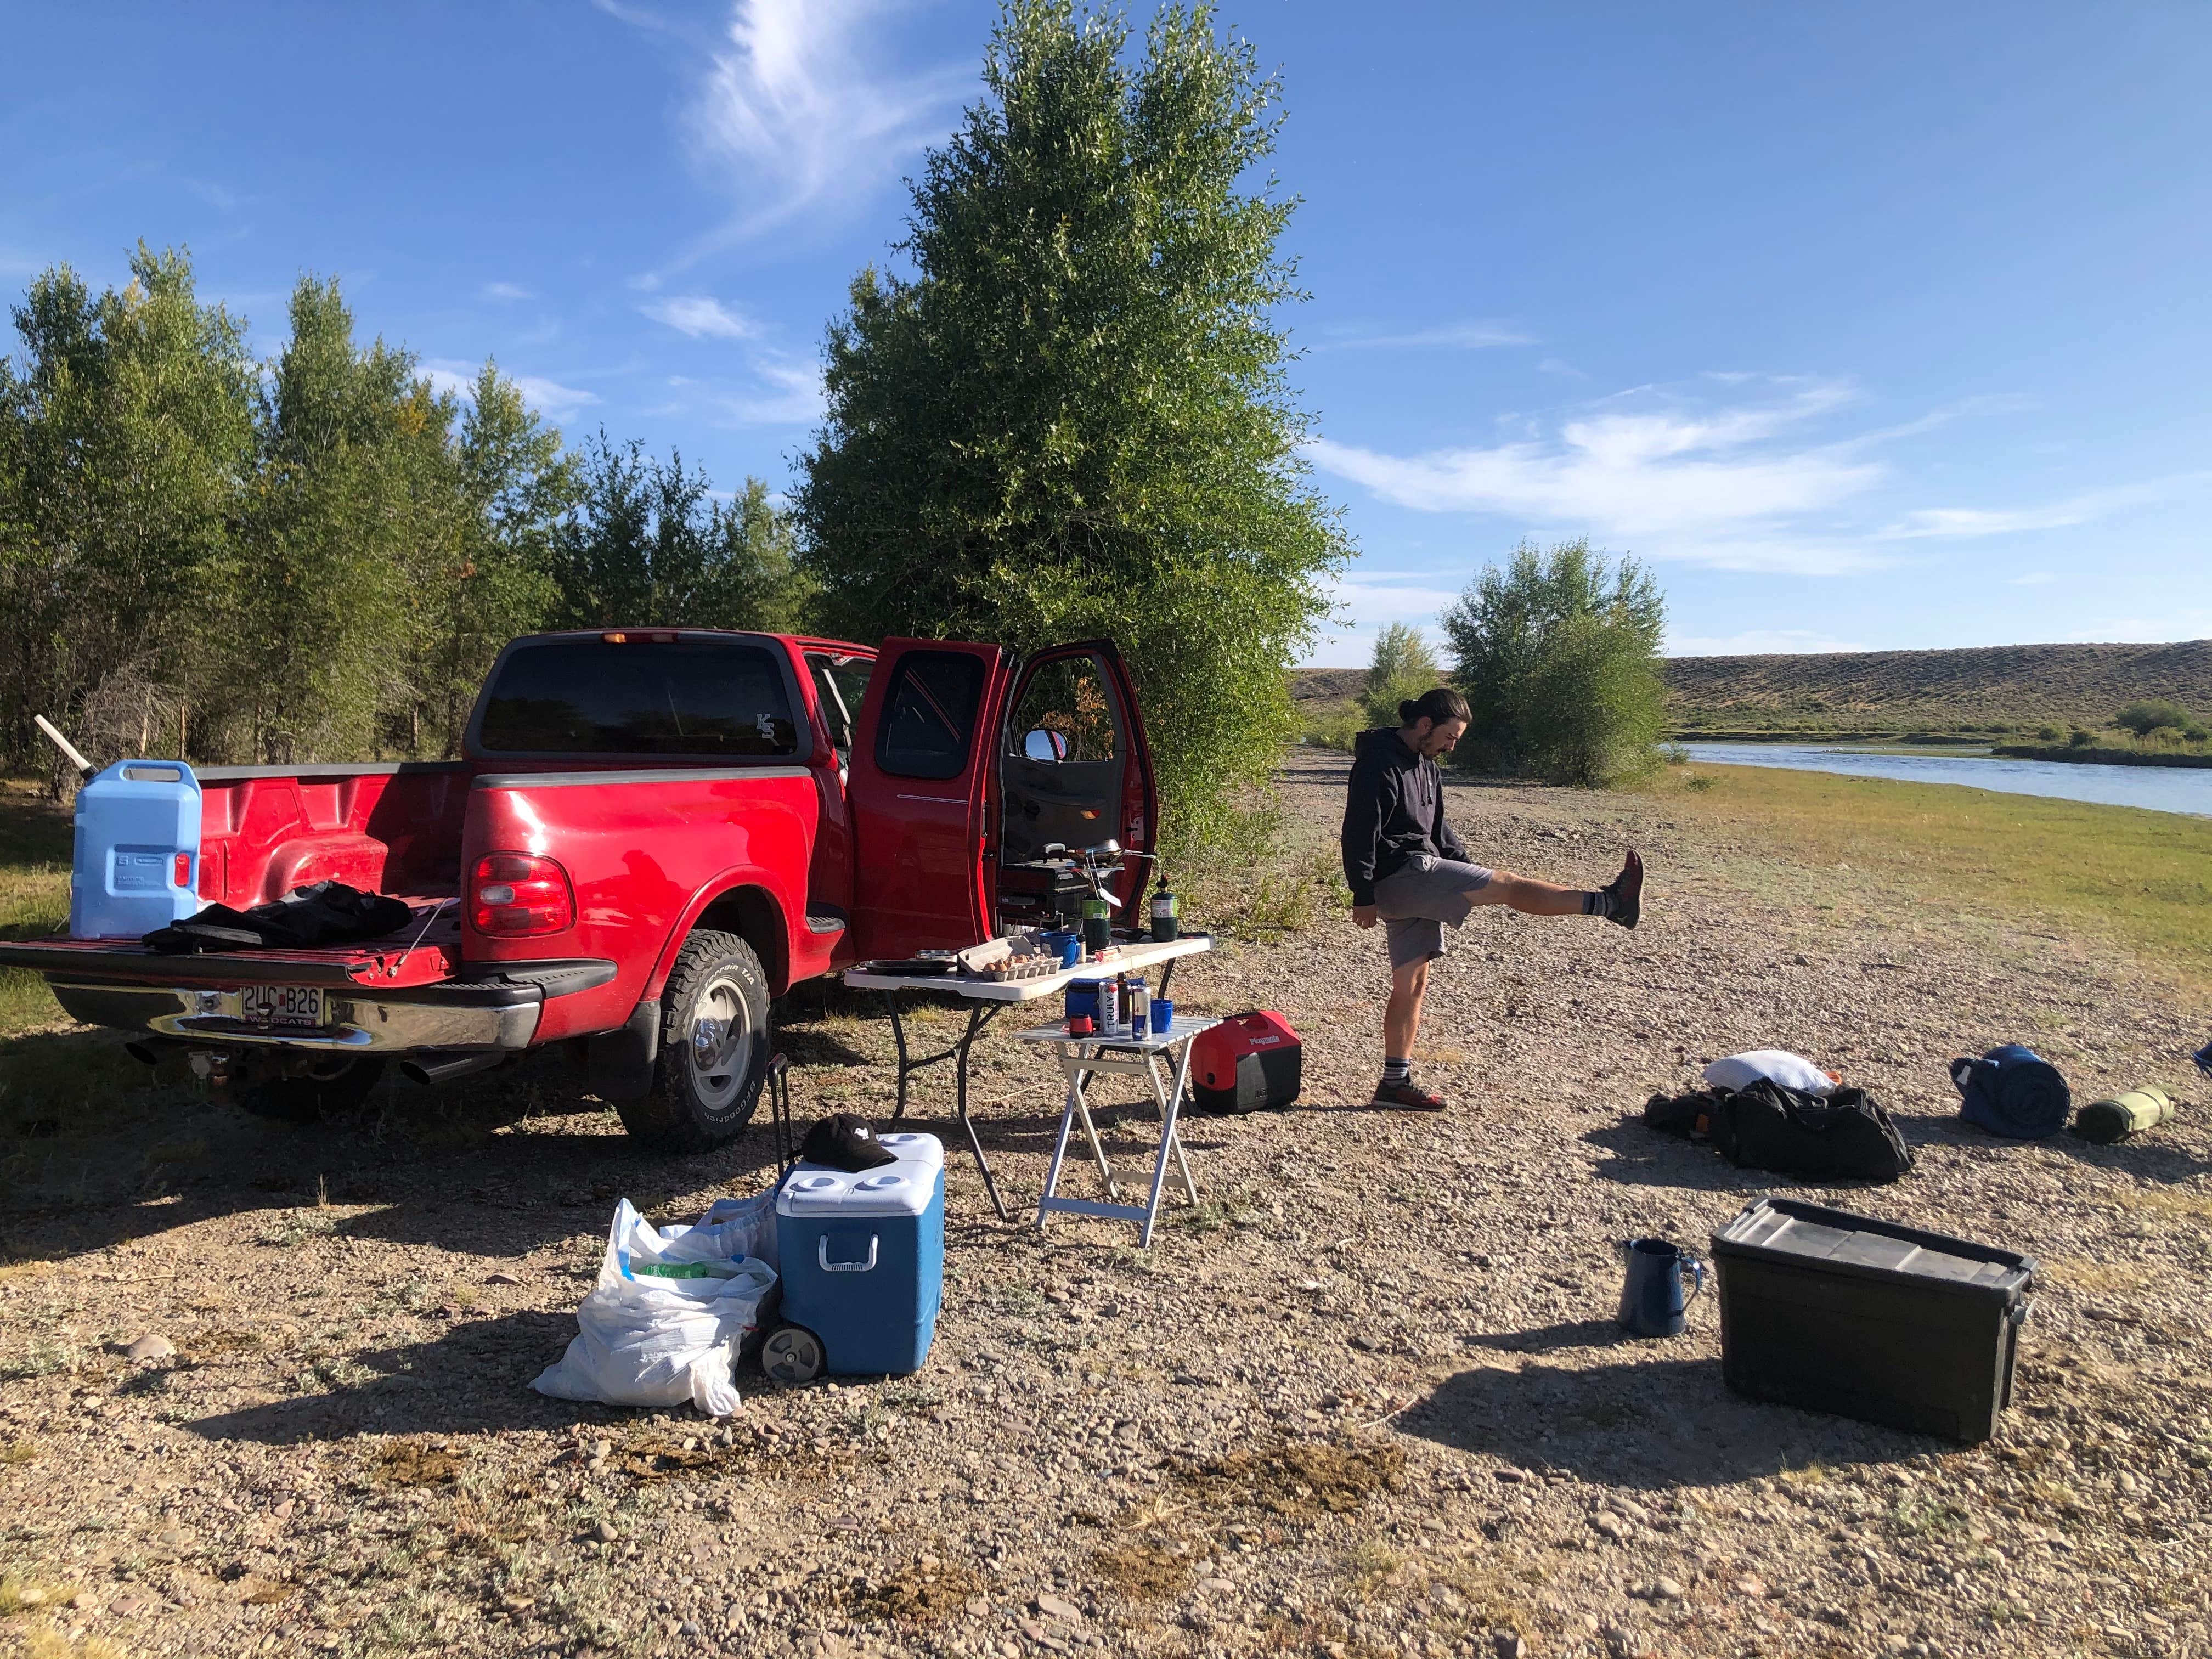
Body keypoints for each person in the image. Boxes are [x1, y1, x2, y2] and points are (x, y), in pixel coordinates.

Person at [1341, 687, 1644, 1111]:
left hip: (1422, 874)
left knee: (1412, 983)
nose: (1452, 746)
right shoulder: (1379, 763)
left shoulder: (1427, 765)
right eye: (1450, 736)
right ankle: (1611, 904)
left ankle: (1394, 1084)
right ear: (1425, 726)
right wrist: (1362, 893)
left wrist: (1466, 866)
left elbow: (1440, 833)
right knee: (1508, 886)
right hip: (1402, 876)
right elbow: (1359, 831)